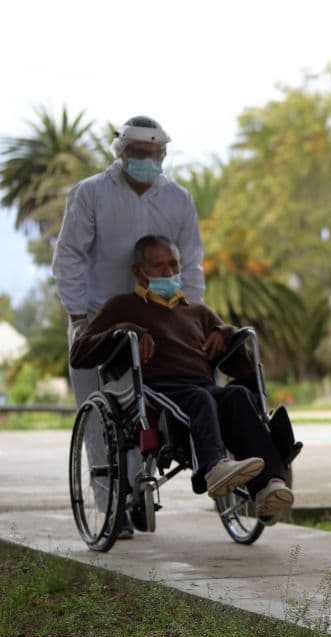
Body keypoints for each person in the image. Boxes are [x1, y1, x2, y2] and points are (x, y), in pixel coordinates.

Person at [53, 115, 205, 537]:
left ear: (164, 154)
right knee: (103, 422)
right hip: (98, 321)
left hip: (157, 321)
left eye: (154, 153)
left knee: (146, 415)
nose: (147, 160)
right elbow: (71, 256)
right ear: (121, 153)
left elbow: (190, 261)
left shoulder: (177, 199)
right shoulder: (90, 194)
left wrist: (191, 315)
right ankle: (112, 508)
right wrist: (79, 316)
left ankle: (137, 494)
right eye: (138, 153)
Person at [69, 235, 294, 519]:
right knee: (198, 399)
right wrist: (126, 331)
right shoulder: (121, 307)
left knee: (237, 395)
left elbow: (243, 369)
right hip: (151, 386)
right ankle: (213, 469)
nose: (169, 273)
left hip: (200, 385)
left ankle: (269, 485)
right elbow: (79, 353)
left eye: (173, 265)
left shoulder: (198, 312)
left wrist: (225, 334)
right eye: (159, 266)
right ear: (139, 272)